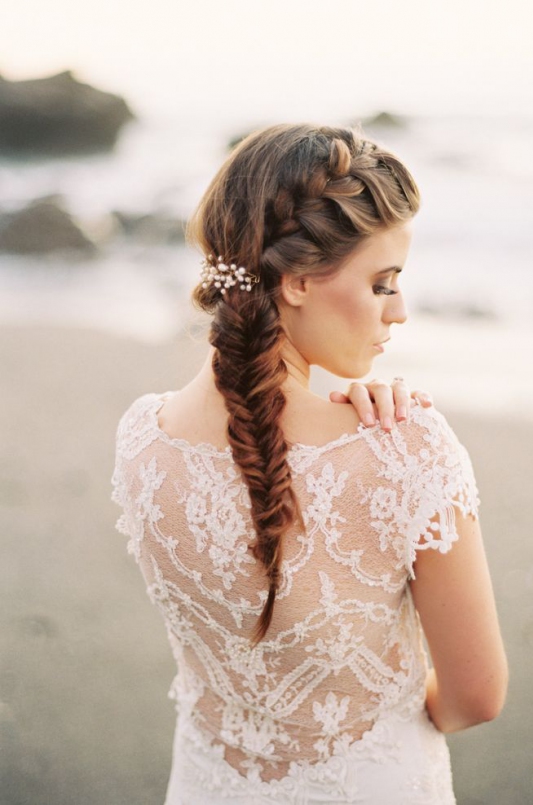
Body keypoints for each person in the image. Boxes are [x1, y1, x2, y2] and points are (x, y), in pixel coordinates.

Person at [111, 124, 507, 804]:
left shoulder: (142, 440)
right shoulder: (406, 452)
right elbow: (476, 695)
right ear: (295, 281)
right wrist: (385, 734)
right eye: (383, 283)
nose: (401, 311)